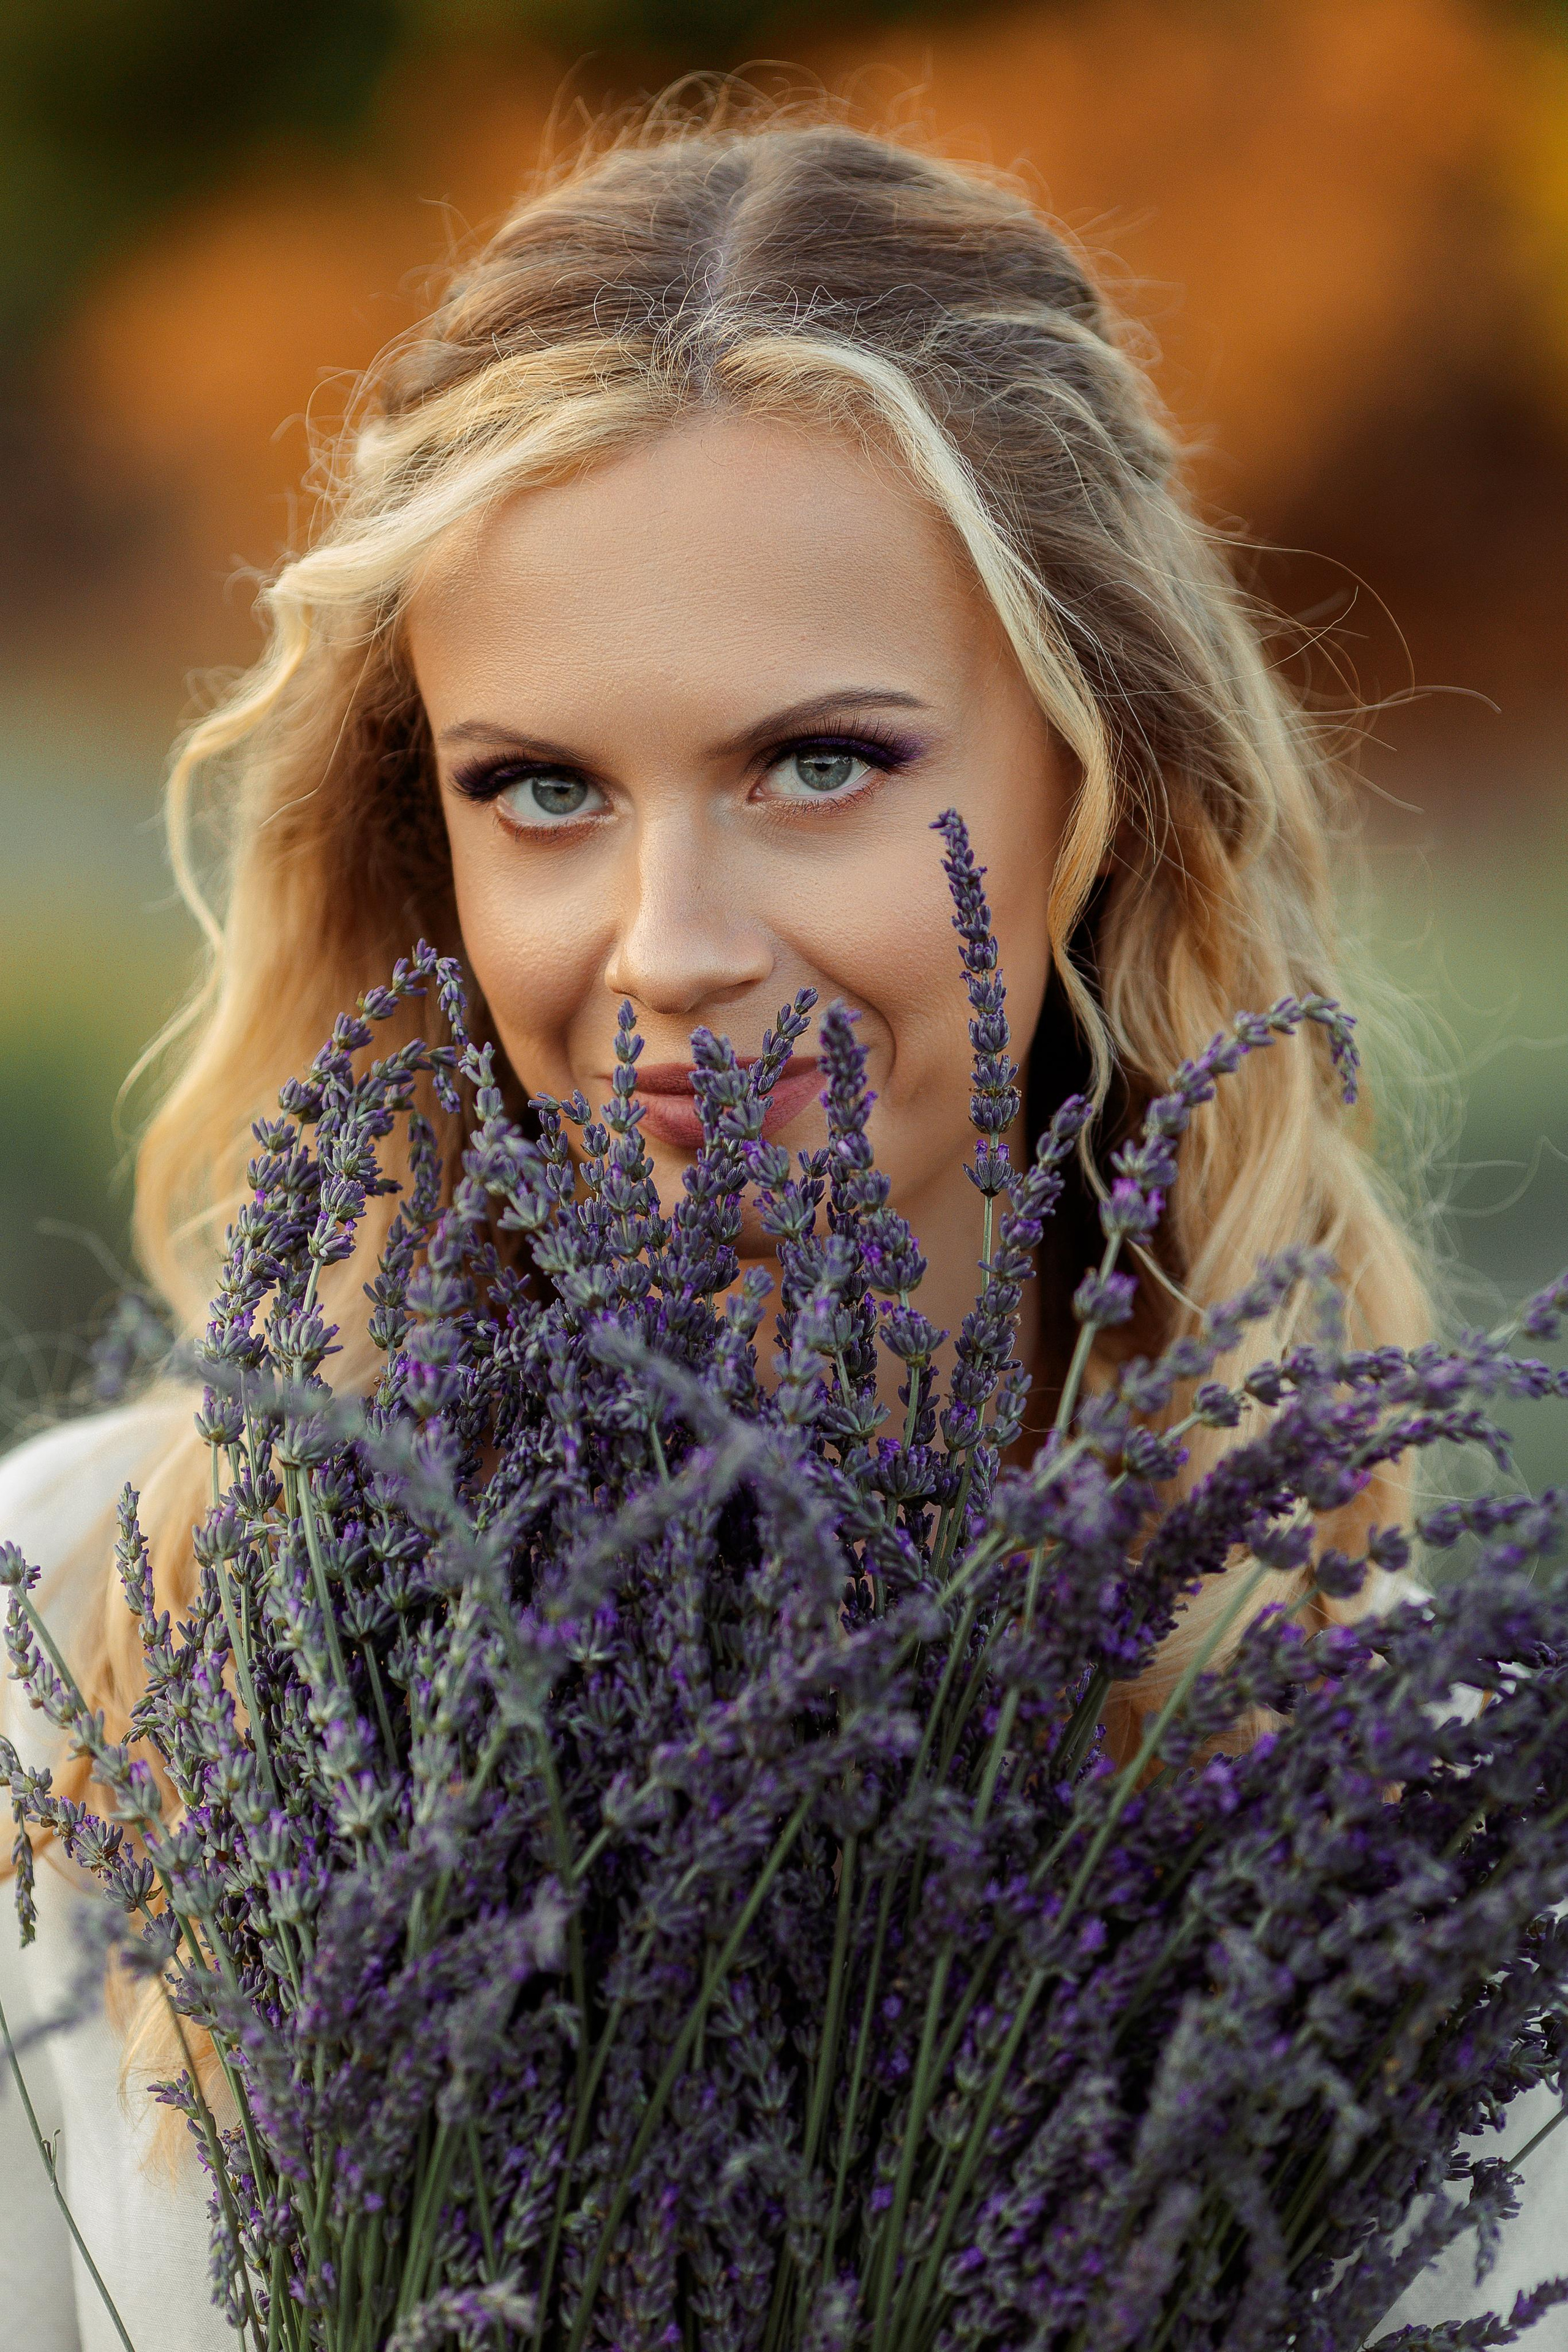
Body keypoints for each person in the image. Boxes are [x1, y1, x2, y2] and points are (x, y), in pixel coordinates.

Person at [2, 99, 1558, 2349]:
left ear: (1102, 796)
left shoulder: (1408, 1849)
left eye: (819, 764)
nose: (672, 944)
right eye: (540, 789)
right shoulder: (94, 1658)